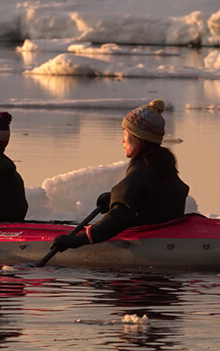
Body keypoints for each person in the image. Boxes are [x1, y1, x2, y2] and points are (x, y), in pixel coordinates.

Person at [50, 99, 189, 251]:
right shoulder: (162, 165)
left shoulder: (141, 171)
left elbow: (120, 217)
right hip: (166, 237)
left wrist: (76, 241)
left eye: (125, 133)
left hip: (148, 243)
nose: (122, 140)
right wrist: (114, 199)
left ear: (138, 138)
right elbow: (151, 199)